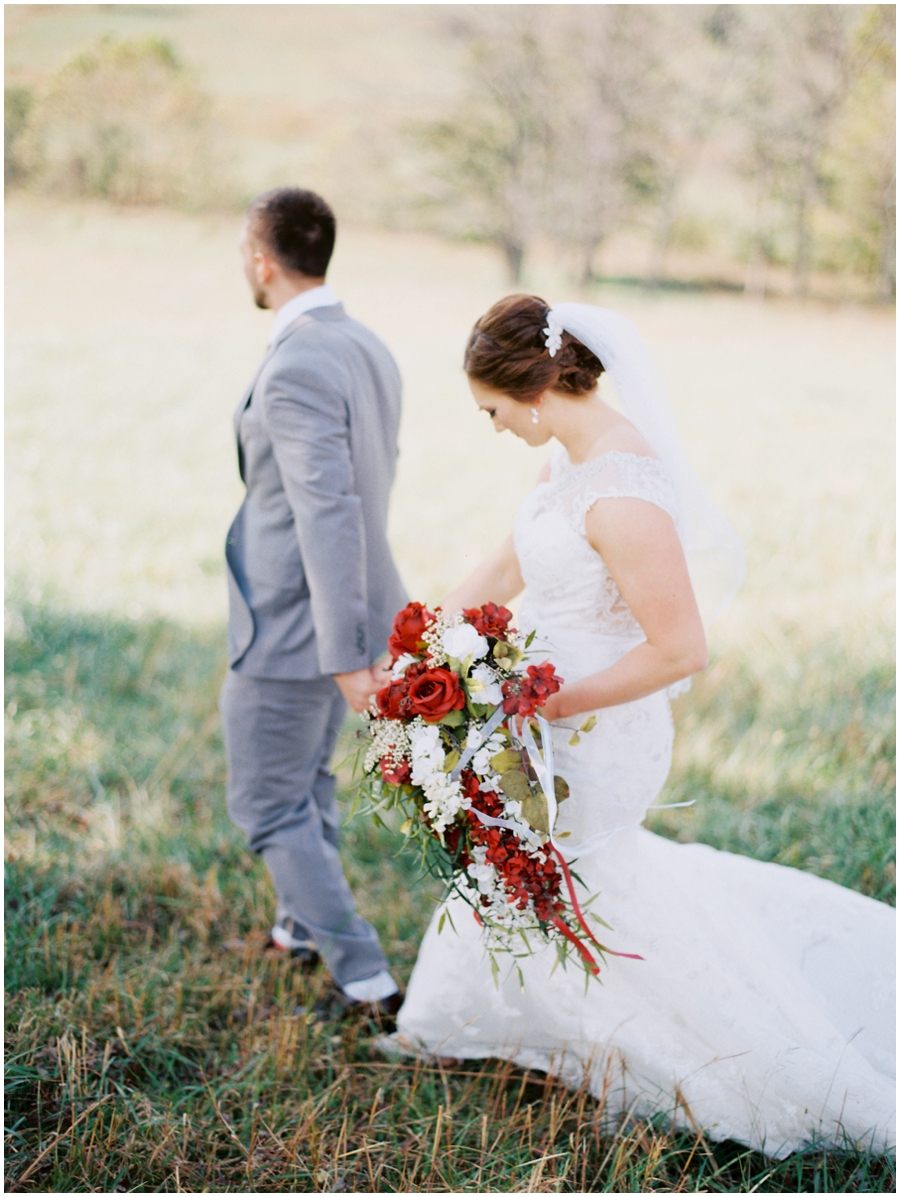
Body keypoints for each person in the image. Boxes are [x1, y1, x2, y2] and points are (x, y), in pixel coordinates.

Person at [390, 295, 895, 1157]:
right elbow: (509, 562)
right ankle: (492, 1022)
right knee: (517, 860)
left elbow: (680, 649)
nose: (496, 427)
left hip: (598, 724)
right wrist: (421, 646)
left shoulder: (623, 489)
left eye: (493, 411)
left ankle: (692, 1052)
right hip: (539, 710)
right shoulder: (569, 463)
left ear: (534, 390)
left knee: (580, 874)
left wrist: (547, 703)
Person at [220, 187, 406, 1023]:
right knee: (306, 785)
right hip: (345, 609)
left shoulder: (296, 362)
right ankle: (297, 928)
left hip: (295, 626)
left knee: (267, 803)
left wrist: (344, 651)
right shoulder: (367, 345)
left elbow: (329, 512)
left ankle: (363, 977)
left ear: (263, 260)